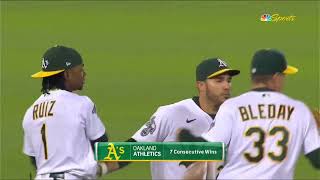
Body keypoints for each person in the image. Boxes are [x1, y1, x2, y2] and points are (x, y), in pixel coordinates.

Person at [179, 49, 320, 179]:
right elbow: (317, 159)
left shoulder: (232, 107)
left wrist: (185, 135)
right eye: (283, 75)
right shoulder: (300, 111)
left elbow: (204, 150)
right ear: (276, 77)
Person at [101, 58, 240, 179]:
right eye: (219, 81)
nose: (227, 86)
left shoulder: (234, 118)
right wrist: (100, 167)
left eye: (229, 80)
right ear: (201, 85)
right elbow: (132, 148)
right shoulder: (172, 114)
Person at [22, 45, 110, 179]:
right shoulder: (82, 104)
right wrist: (133, 151)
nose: (84, 74)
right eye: (80, 70)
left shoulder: (30, 112)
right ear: (67, 74)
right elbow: (102, 146)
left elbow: (34, 159)